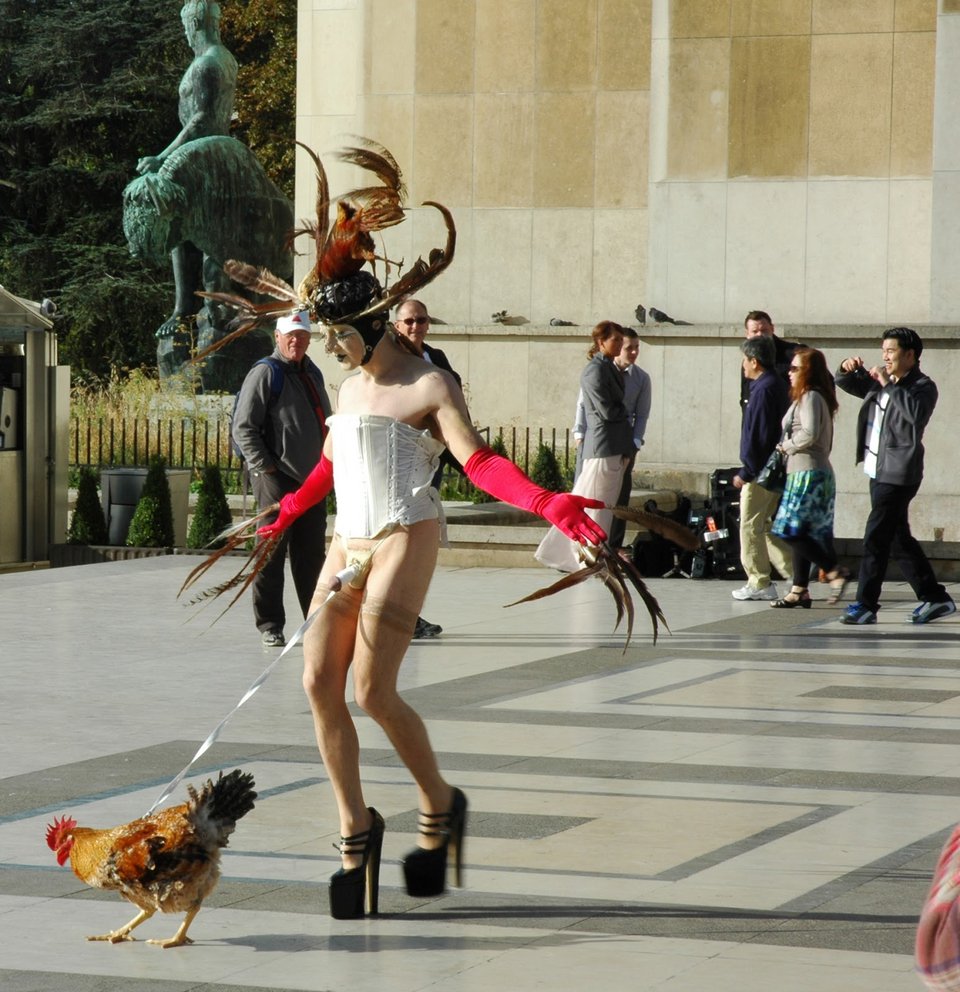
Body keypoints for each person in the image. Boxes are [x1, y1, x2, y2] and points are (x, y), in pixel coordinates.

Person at [255, 271, 606, 920]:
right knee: (314, 683)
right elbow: (334, 466)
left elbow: (476, 461)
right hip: (349, 535)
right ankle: (355, 830)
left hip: (405, 531)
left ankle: (439, 802)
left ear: (365, 326)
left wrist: (545, 500)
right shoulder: (349, 387)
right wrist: (289, 510)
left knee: (371, 691)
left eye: (336, 334)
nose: (330, 346)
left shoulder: (429, 384)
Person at [834, 328, 955, 625]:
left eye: (891, 351)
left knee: (875, 536)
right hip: (877, 469)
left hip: (900, 473)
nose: (885, 356)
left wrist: (888, 384)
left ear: (910, 355)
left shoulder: (923, 386)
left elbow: (914, 416)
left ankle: (865, 604)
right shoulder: (882, 382)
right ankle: (935, 597)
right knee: (898, 538)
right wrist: (846, 367)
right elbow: (845, 382)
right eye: (884, 350)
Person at [232, 311, 332, 646]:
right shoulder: (266, 372)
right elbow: (243, 427)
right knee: (270, 554)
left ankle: (315, 620)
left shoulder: (311, 371)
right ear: (277, 336)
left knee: (312, 555)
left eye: (303, 336)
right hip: (277, 479)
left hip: (311, 481)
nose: (297, 342)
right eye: (291, 336)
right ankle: (270, 624)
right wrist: (266, 467)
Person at [536, 321, 633, 572]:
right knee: (594, 506)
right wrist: (624, 413)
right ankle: (584, 555)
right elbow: (608, 410)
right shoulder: (594, 371)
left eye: (622, 340)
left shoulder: (610, 368)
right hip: (603, 446)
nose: (620, 344)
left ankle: (588, 553)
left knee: (602, 507)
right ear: (601, 342)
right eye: (616, 340)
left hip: (613, 445)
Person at [392, 297, 462, 639]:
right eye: (408, 321)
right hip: (399, 462)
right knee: (397, 540)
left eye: (420, 320)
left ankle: (411, 613)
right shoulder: (387, 361)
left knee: (421, 540)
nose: (415, 327)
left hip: (430, 458)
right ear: (396, 325)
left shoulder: (437, 359)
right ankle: (394, 613)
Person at [767, 348, 850, 608]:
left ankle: (835, 571)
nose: (789, 373)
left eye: (795, 368)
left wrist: (787, 446)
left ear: (808, 372)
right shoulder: (808, 397)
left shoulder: (811, 396)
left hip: (808, 473)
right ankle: (799, 589)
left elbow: (811, 433)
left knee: (787, 530)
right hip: (806, 471)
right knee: (803, 531)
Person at [573, 328, 652, 553]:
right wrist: (579, 434)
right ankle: (583, 544)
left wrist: (635, 441)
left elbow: (642, 413)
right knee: (587, 492)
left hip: (624, 444)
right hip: (598, 443)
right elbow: (585, 404)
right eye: (628, 347)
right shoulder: (598, 370)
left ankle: (611, 545)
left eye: (637, 347)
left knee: (619, 496)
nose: (634, 352)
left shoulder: (641, 378)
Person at [731, 335, 792, 601]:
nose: (743, 365)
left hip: (760, 472)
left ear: (755, 361)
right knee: (765, 525)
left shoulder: (763, 389)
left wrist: (746, 472)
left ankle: (759, 581)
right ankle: (795, 571)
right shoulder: (774, 384)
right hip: (773, 468)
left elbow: (758, 436)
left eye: (745, 360)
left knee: (749, 525)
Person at [740, 310, 800, 413]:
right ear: (747, 334)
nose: (760, 335)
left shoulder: (795, 354)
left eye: (764, 330)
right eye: (755, 331)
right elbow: (745, 396)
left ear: (772, 329)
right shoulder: (748, 360)